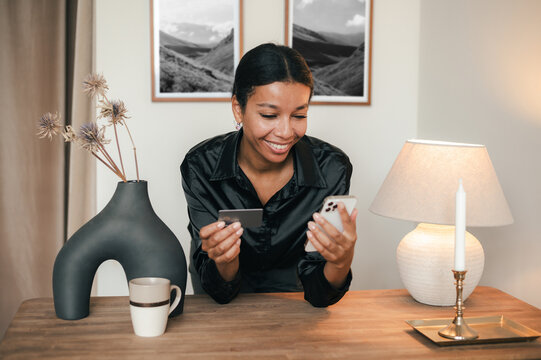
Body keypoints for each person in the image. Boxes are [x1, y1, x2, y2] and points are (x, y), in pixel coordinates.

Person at [180, 43, 357, 307]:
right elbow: (218, 290)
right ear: (238, 109)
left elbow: (320, 295)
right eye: (269, 115)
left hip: (296, 307)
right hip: (220, 311)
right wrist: (224, 260)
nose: (286, 132)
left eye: (299, 115)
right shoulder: (201, 167)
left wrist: (340, 262)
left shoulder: (333, 168)